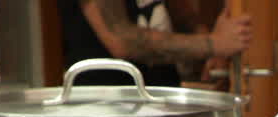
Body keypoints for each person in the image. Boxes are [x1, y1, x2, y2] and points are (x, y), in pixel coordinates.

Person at [59, 0, 252, 86]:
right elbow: (121, 40)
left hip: (161, 97)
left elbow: (183, 16)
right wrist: (212, 44)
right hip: (108, 108)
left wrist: (210, 52)